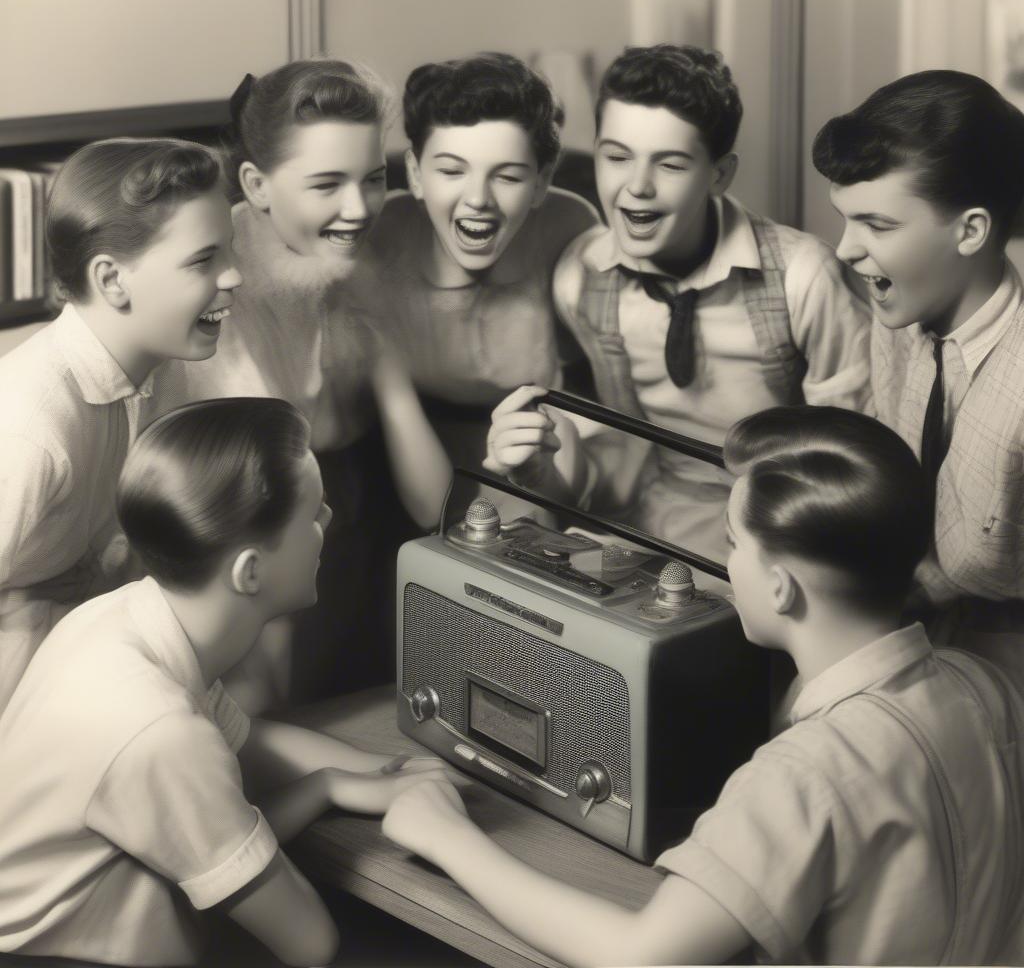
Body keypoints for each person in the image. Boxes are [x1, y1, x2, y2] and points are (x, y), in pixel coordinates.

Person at [382, 406, 1024, 965]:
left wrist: (450, 838)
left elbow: (639, 954)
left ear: (780, 587)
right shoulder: (985, 686)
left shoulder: (800, 775)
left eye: (732, 542)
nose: (725, 563)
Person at [0, 398, 465, 967]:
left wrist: (358, 778)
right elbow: (310, 942)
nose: (328, 520)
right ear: (250, 571)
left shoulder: (123, 617)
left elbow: (245, 746)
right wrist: (337, 789)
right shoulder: (158, 731)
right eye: (311, 513)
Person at [485, 45, 870, 565]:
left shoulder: (804, 277)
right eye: (616, 157)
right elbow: (615, 452)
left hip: (785, 535)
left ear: (719, 174)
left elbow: (853, 463)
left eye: (669, 164)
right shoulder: (582, 277)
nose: (636, 188)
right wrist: (540, 473)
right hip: (649, 526)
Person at [154, 59, 452, 705]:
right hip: (227, 541)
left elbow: (434, 506)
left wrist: (388, 372)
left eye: (373, 179)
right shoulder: (218, 287)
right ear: (257, 185)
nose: (358, 208)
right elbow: (242, 532)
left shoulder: (352, 264)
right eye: (327, 185)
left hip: (336, 524)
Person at [0, 137, 240, 714]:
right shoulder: (32, 427)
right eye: (204, 260)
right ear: (111, 281)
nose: (233, 277)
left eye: (229, 252)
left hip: (86, 637)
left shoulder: (164, 370)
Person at [812, 69, 1024, 680]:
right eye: (845, 219)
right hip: (912, 628)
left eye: (877, 225)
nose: (845, 250)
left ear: (972, 230)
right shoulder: (896, 318)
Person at [338, 51, 599, 469]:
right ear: (416, 174)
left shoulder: (570, 226)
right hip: (403, 452)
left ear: (541, 181)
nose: (478, 199)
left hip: (538, 448)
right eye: (451, 171)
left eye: (509, 176)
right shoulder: (378, 236)